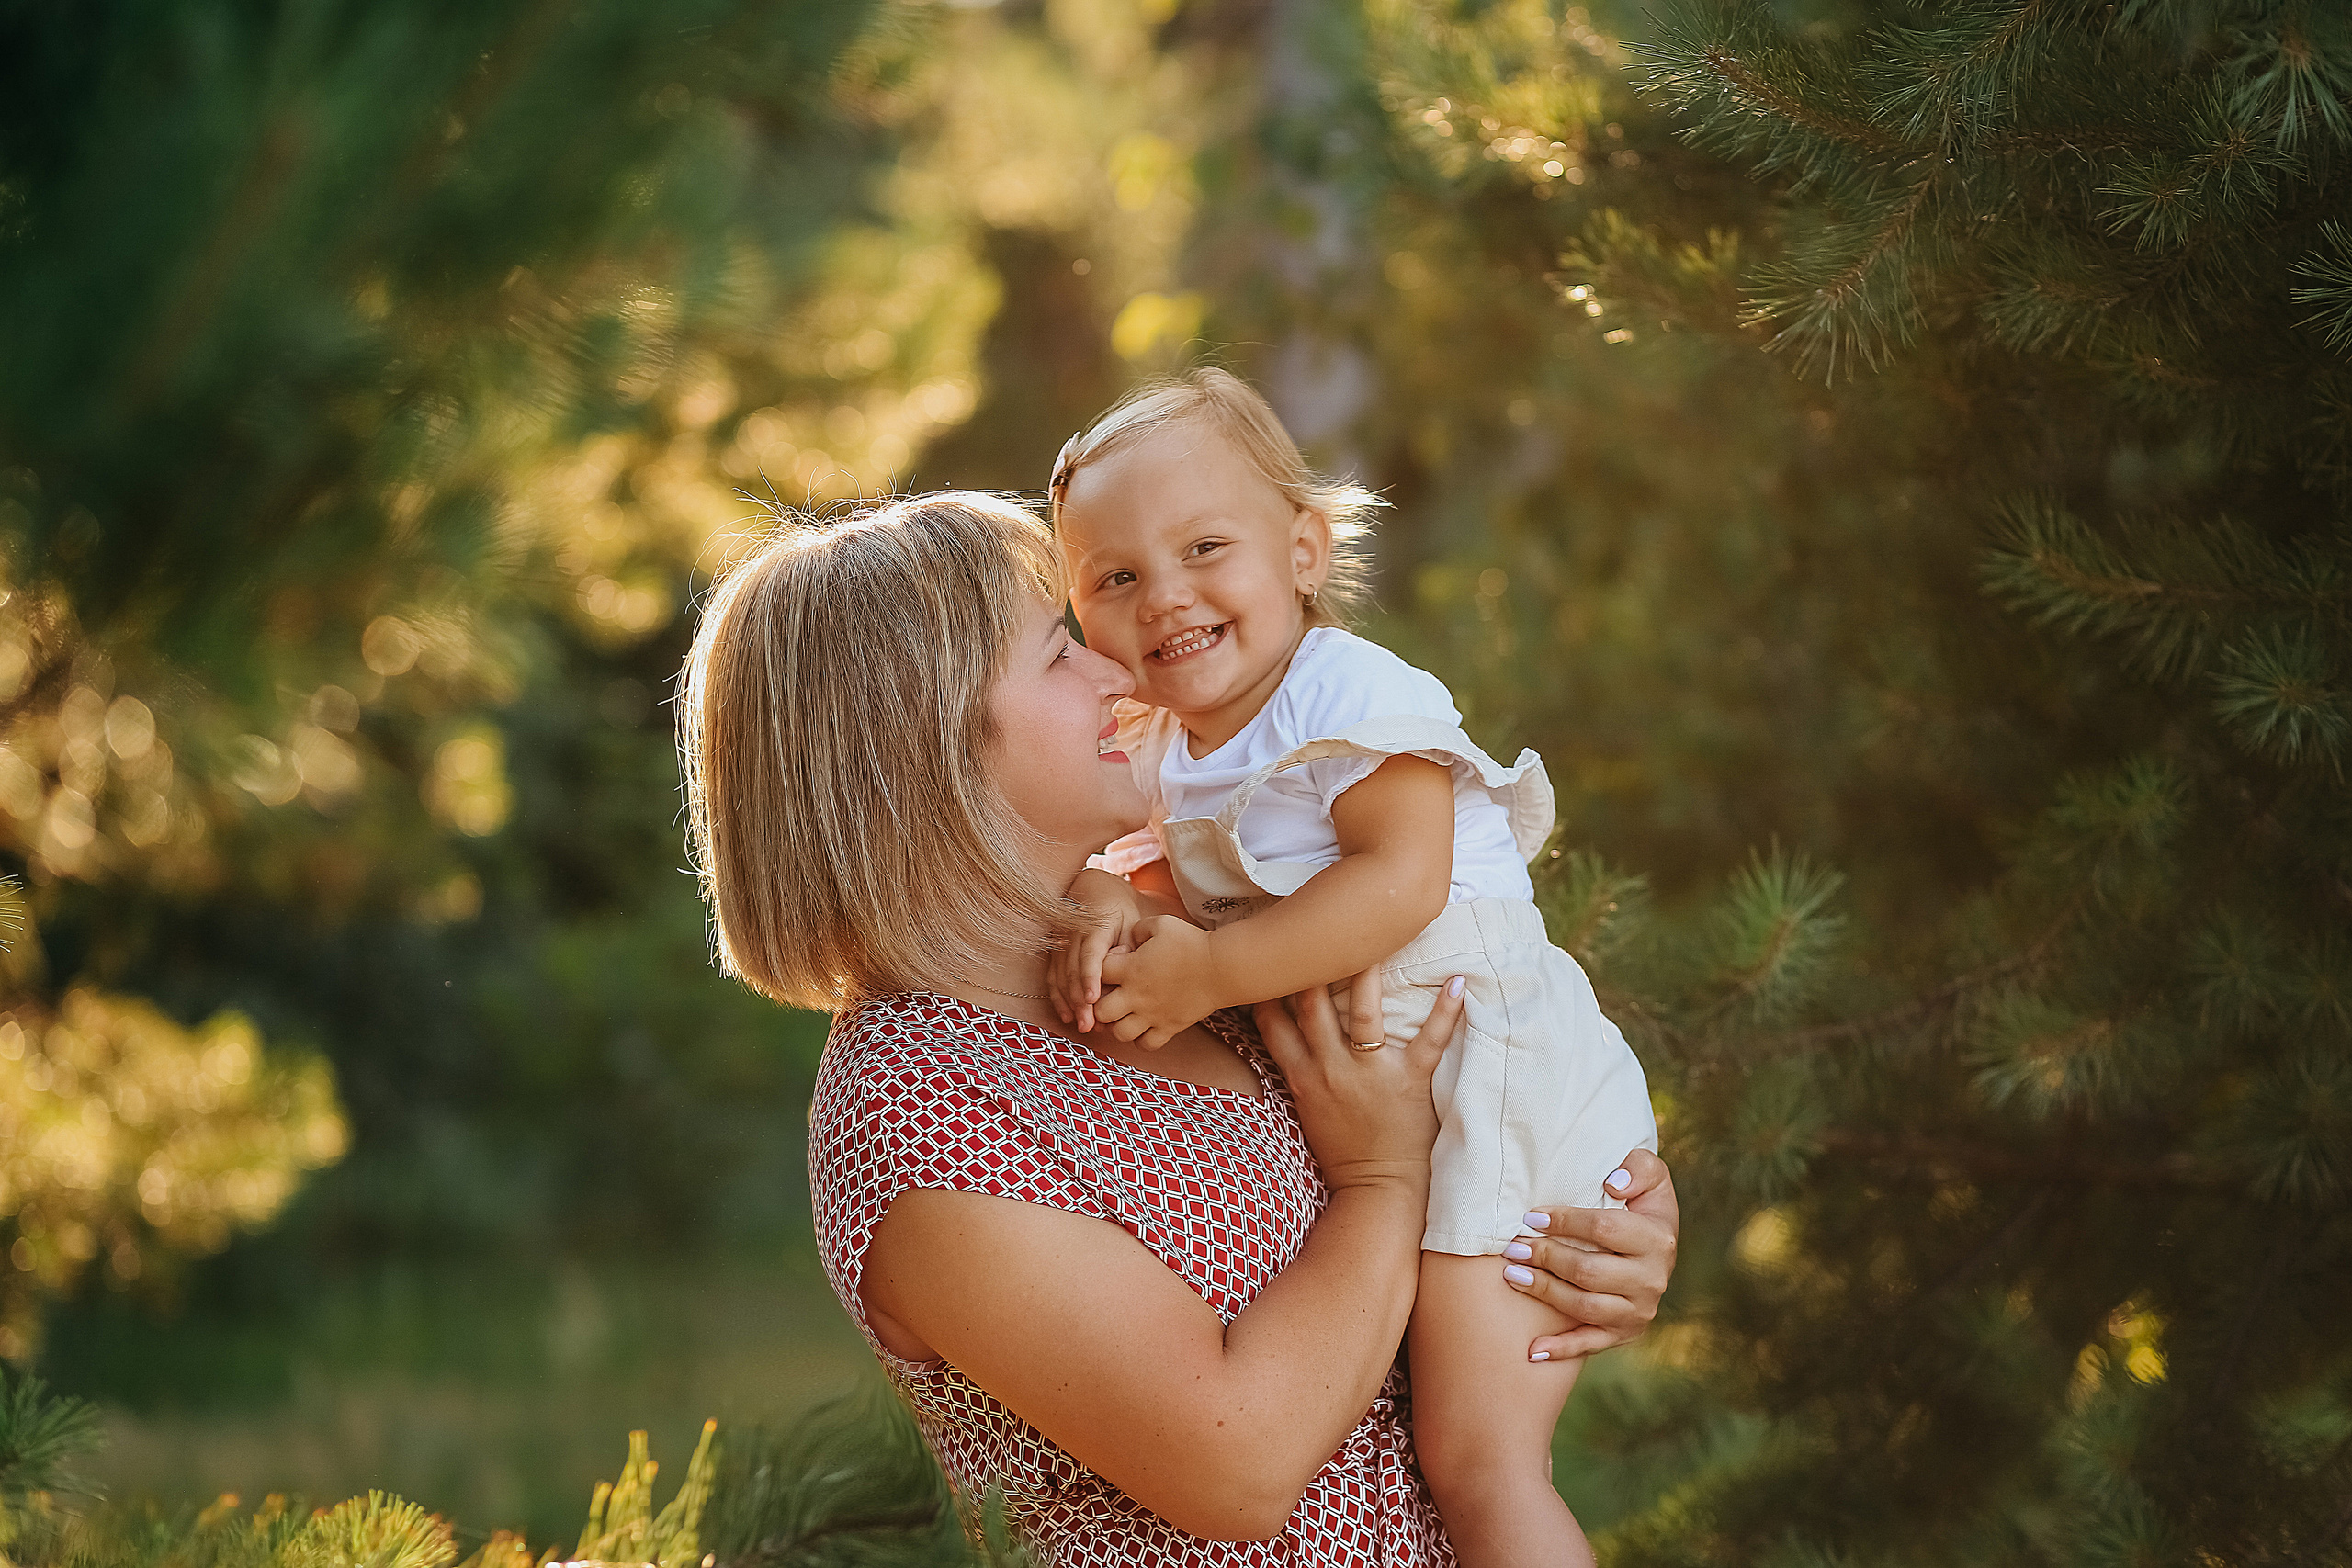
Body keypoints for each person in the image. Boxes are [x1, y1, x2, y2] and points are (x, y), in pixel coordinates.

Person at [678, 491, 1679, 1564]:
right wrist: (1381, 1183)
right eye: (1057, 653)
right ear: (923, 740)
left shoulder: (1190, 953)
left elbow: (1464, 1108)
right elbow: (1239, 1464)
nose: (1116, 674)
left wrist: (1584, 1235)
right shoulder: (921, 1111)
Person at [1046, 370, 1657, 1568]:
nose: (1164, 595)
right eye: (1114, 578)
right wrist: (1112, 898)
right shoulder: (1163, 747)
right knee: (1435, 1442)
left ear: (1303, 551)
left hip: (1496, 1069)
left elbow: (1401, 880)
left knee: (1480, 1461)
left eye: (1203, 547)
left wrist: (1211, 972)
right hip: (1414, 1095)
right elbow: (1158, 876)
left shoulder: (1350, 692)